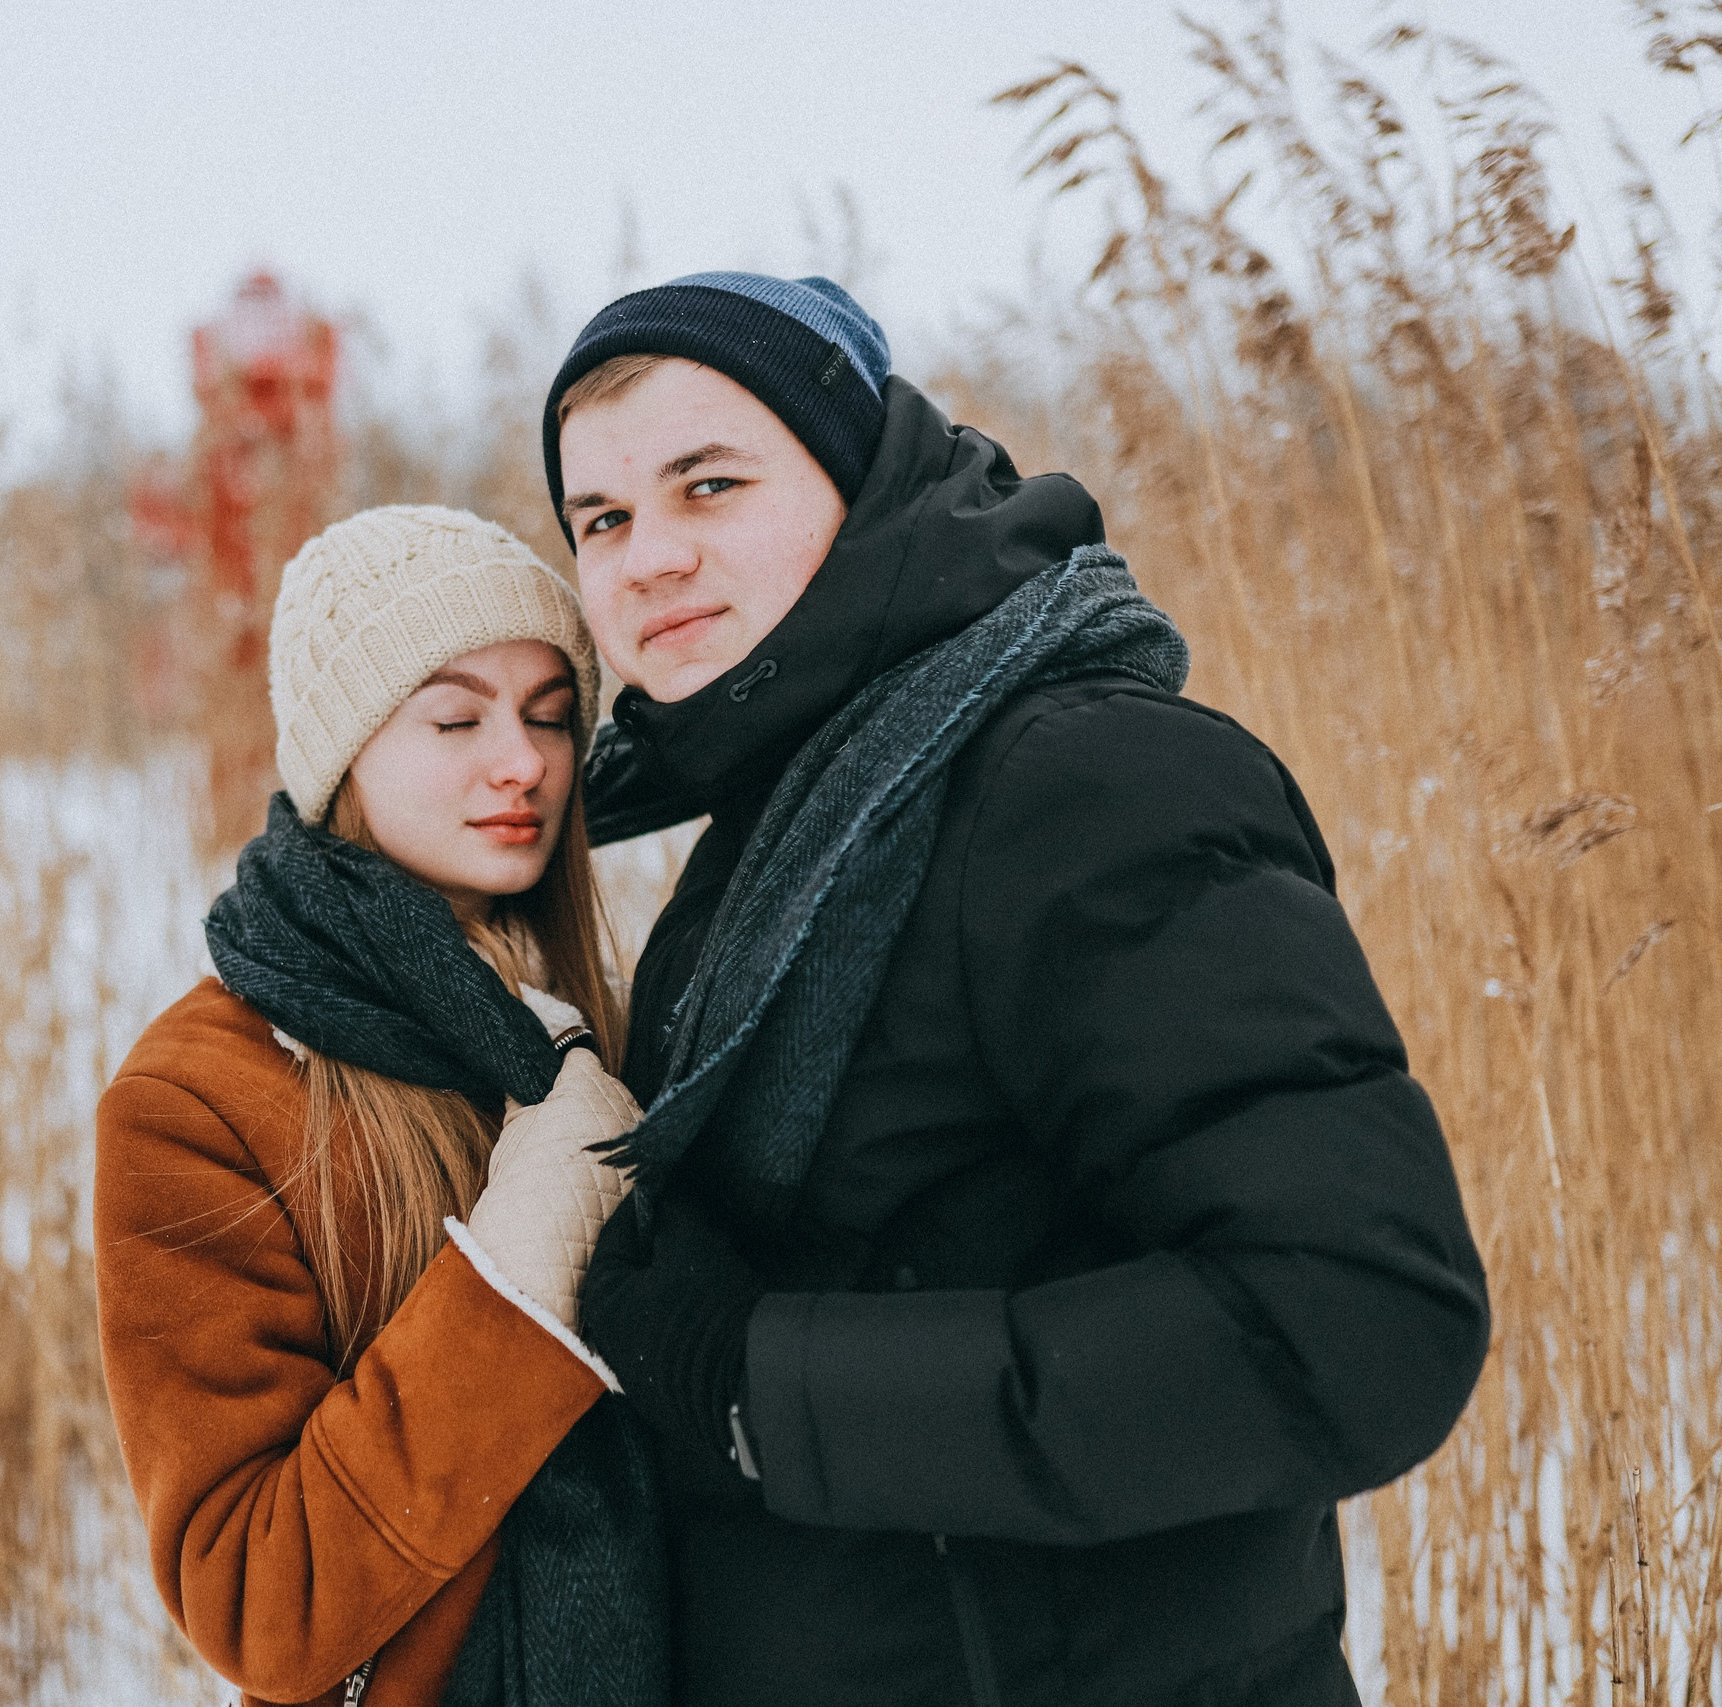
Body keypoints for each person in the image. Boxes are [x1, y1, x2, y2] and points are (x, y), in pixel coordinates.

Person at [548, 274, 1492, 1706]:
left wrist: (759, 1380)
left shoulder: (1083, 781)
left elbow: (1358, 1321)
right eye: (602, 518)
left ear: (862, 484)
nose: (648, 556)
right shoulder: (783, 823)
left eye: (710, 483)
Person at [95, 505, 668, 1707]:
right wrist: (518, 1270)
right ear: (341, 755)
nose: (521, 762)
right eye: (455, 717)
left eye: (551, 717)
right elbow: (257, 1597)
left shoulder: (611, 1034)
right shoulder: (200, 1098)